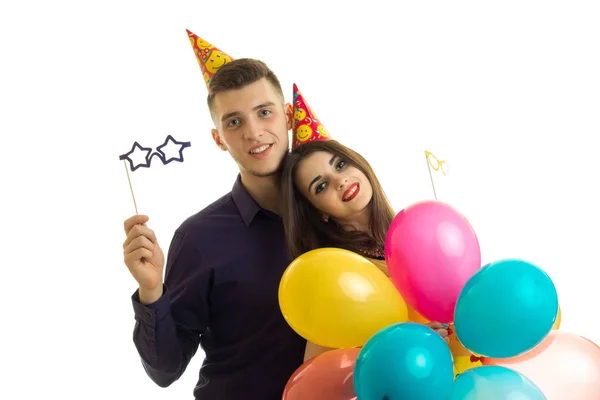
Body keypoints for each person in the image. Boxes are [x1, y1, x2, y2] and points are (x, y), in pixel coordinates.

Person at [122, 32, 306, 400]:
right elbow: (165, 370)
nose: (254, 133)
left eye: (264, 113)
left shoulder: (334, 209)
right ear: (218, 137)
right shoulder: (200, 238)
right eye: (234, 122)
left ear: (287, 116)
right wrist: (151, 289)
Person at [281, 84, 451, 361]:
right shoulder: (337, 275)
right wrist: (403, 345)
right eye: (321, 186)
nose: (340, 181)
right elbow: (318, 372)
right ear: (317, 212)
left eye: (339, 165)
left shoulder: (414, 235)